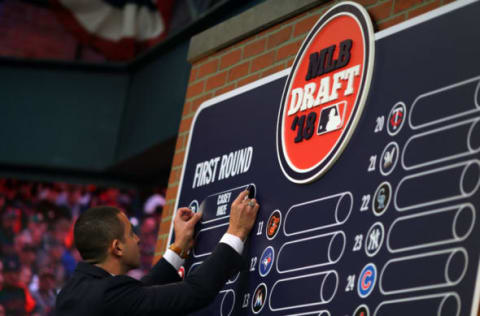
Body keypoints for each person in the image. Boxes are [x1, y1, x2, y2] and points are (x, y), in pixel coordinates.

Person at [55, 189, 259, 315]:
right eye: (131, 234)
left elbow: (137, 295)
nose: (138, 239)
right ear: (117, 247)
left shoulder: (73, 291)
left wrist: (178, 248)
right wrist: (236, 231)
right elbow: (196, 292)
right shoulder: (107, 295)